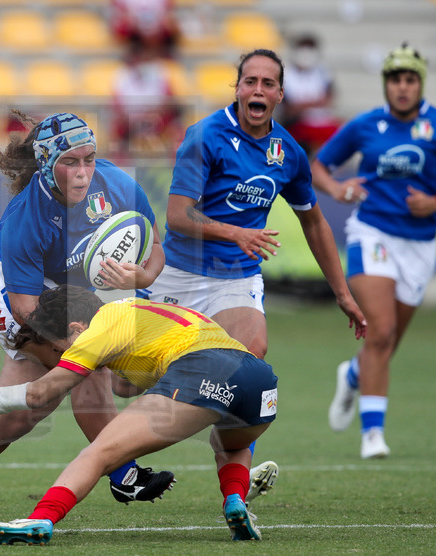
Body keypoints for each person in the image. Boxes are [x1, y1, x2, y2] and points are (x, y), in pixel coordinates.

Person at [0, 111, 175, 537]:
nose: (83, 173)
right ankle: (124, 474)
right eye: (70, 162)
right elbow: (25, 306)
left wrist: (144, 278)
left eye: (89, 159)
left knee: (21, 416)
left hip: (78, 295)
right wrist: (75, 340)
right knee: (85, 370)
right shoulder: (25, 216)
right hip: (18, 299)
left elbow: (153, 242)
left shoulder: (116, 183)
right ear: (45, 164)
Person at [145, 48, 367, 495]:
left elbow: (315, 221)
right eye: (250, 82)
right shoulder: (203, 136)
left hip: (236, 279)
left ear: (280, 94)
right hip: (178, 274)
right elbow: (178, 217)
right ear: (238, 88)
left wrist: (342, 292)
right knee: (130, 382)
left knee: (250, 360)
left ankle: (232, 478)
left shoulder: (287, 152)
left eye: (268, 83)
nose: (258, 90)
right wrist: (236, 233)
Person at [0, 284, 278, 545]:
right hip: (260, 383)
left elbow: (39, 393)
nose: (65, 357)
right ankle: (235, 501)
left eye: (61, 348)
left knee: (99, 453)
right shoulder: (139, 310)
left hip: (202, 368)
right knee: (229, 443)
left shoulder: (98, 329)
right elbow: (127, 384)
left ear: (75, 328)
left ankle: (40, 519)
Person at [311, 43, 436, 459]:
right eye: (395, 79)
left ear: (420, 83)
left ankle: (352, 374)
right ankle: (373, 434)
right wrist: (337, 189)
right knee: (380, 330)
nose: (402, 87)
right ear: (386, 84)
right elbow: (318, 164)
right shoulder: (366, 125)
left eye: (410, 79)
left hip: (419, 246)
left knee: (387, 341)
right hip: (372, 234)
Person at [280, 34, 342, 157]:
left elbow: (329, 100)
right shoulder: (287, 75)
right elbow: (289, 109)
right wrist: (314, 102)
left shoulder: (323, 72)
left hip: (321, 123)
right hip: (298, 125)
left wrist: (303, 104)